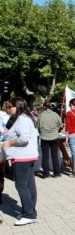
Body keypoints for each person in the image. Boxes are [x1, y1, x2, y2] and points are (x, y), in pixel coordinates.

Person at [3, 97, 39, 226]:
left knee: (21, 185)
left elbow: (24, 138)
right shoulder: (25, 118)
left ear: (15, 106)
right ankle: (29, 212)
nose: (7, 109)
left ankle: (29, 214)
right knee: (29, 185)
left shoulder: (22, 119)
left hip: (22, 157)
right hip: (27, 156)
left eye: (9, 106)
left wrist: (8, 143)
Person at [37, 101, 63, 179]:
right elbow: (61, 125)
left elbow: (38, 127)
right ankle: (56, 172)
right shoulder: (55, 115)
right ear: (51, 107)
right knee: (54, 156)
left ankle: (46, 173)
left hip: (44, 137)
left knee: (45, 156)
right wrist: (57, 130)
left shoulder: (41, 115)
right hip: (54, 136)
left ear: (44, 107)